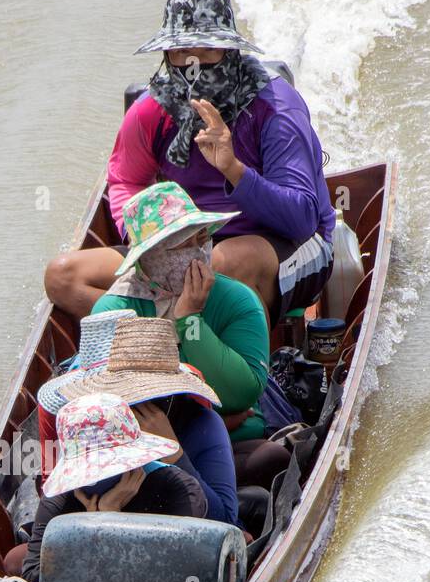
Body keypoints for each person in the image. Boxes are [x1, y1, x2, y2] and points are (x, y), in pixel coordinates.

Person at [44, 0, 335, 325]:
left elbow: (302, 219)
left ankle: (236, 358)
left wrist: (234, 170)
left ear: (230, 51)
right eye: (181, 52)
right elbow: (127, 180)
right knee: (62, 276)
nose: (193, 65)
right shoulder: (151, 110)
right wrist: (148, 240)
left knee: (221, 267)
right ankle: (156, 336)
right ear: (167, 55)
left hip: (288, 245)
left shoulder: (275, 109)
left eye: (207, 51)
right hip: (183, 247)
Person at [86, 180, 289, 491]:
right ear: (150, 256)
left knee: (271, 459)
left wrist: (189, 319)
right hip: (142, 454)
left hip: (231, 444)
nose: (199, 250)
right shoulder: (112, 310)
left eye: (202, 237)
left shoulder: (237, 299)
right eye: (183, 243)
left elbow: (241, 393)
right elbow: (106, 407)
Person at [39, 316, 240, 526]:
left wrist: (175, 455)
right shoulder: (88, 425)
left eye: (145, 395)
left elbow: (224, 520)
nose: (133, 405)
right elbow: (55, 501)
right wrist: (99, 520)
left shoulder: (201, 422)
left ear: (170, 395)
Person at [13, 392, 207, 582]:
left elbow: (180, 571)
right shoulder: (61, 498)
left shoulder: (177, 488)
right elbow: (34, 575)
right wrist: (92, 533)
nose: (99, 479)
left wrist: (113, 526)